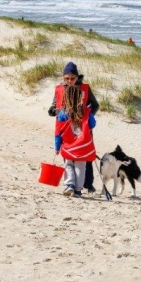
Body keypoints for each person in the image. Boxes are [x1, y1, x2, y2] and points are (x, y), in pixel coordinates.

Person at [49, 62, 100, 193]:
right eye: (67, 78)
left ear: (77, 77)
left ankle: (87, 184)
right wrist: (57, 111)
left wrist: (85, 118)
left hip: (83, 128)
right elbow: (53, 107)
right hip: (65, 127)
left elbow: (95, 105)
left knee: (85, 158)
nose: (70, 81)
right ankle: (73, 186)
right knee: (70, 159)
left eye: (72, 78)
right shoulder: (59, 88)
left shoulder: (85, 88)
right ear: (63, 78)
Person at [54, 85, 97, 198]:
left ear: (66, 98)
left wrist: (57, 147)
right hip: (83, 146)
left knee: (69, 164)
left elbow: (59, 132)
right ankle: (78, 190)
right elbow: (93, 124)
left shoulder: (63, 113)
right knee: (81, 166)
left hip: (69, 145)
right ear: (80, 98)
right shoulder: (86, 112)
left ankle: (70, 184)